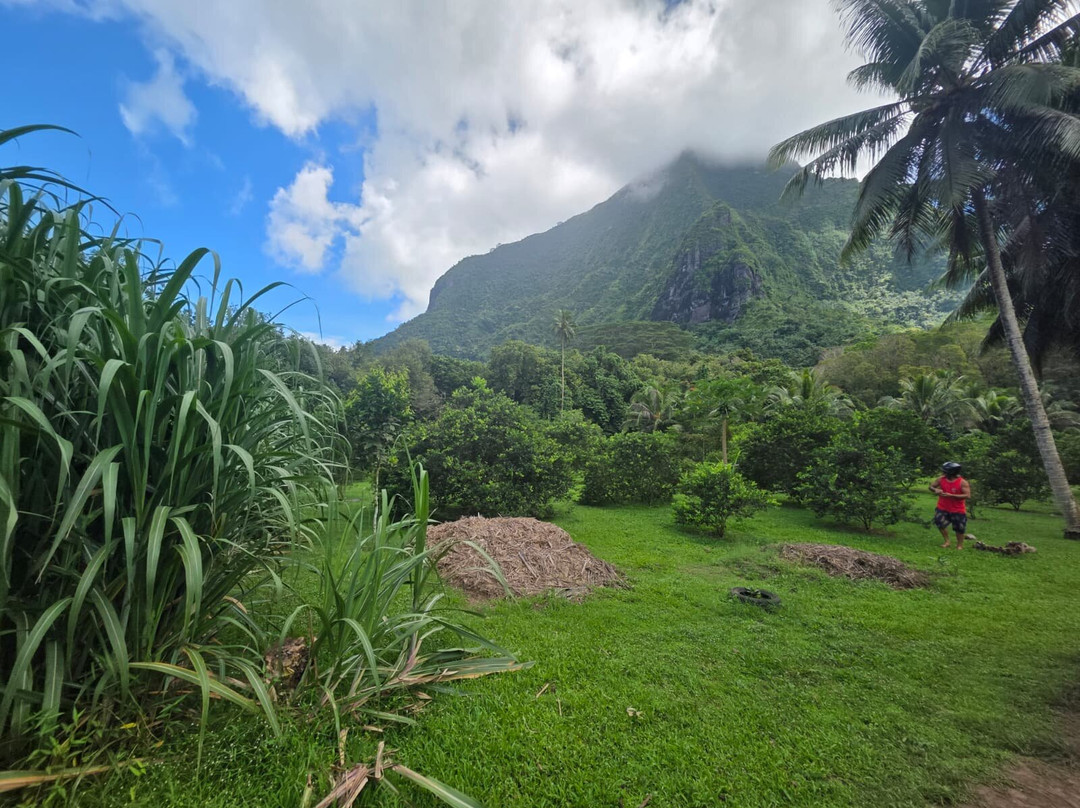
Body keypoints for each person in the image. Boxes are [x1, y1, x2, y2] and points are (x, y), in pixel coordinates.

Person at [930, 461, 970, 549]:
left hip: (958, 509)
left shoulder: (962, 482)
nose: (943, 473)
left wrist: (951, 495)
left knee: (959, 528)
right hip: (942, 507)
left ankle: (959, 545)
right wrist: (935, 490)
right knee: (939, 523)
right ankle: (947, 541)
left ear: (951, 472)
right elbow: (931, 486)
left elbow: (967, 495)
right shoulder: (941, 479)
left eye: (945, 471)